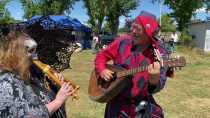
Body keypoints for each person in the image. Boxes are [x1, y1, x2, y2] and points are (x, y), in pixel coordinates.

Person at [95, 11, 172, 118]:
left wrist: (154, 79)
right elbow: (101, 56)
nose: (133, 31)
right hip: (115, 101)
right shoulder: (123, 41)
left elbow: (159, 85)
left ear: (148, 32)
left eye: (138, 29)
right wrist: (102, 69)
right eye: (133, 27)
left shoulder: (160, 53)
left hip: (139, 104)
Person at [0, 32, 72, 118]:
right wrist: (58, 101)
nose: (35, 55)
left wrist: (54, 85)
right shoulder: (6, 81)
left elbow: (44, 96)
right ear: (15, 54)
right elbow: (31, 115)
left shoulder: (32, 70)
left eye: (35, 50)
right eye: (31, 51)